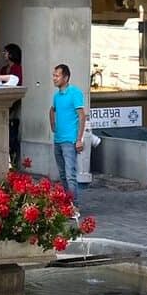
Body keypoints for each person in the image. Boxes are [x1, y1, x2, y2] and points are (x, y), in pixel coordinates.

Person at [50, 64, 86, 213]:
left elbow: (82, 115)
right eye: (54, 75)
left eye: (57, 76)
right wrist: (53, 125)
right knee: (63, 174)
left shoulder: (75, 93)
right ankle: (66, 203)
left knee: (70, 174)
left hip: (70, 140)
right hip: (58, 139)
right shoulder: (56, 96)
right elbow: (52, 110)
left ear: (65, 77)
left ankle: (74, 206)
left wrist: (79, 139)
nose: (54, 78)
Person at [0, 44, 23, 166]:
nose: (4, 54)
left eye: (6, 52)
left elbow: (17, 82)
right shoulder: (4, 69)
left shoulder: (17, 68)